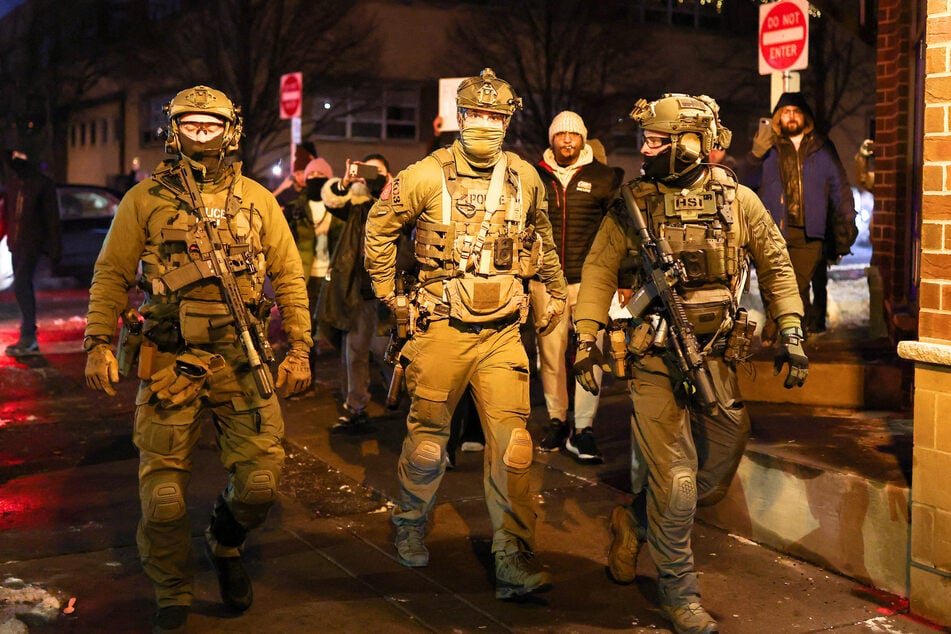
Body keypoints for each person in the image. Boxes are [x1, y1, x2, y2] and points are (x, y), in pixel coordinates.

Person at [573, 93, 808, 633]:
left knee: (715, 473)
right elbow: (600, 268)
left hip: (717, 355)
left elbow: (775, 263)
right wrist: (587, 337)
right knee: (678, 482)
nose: (646, 149)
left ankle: (635, 520)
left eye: (657, 141)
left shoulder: (737, 200)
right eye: (646, 140)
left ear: (690, 144)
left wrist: (792, 331)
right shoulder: (635, 202)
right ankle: (680, 592)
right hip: (655, 356)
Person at [82, 85, 312, 633]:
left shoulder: (258, 199)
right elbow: (111, 274)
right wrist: (96, 342)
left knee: (260, 482)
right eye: (191, 124)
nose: (202, 133)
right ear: (174, 129)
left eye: (212, 124)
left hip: (241, 357)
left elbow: (289, 276)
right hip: (169, 360)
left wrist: (301, 347)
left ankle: (225, 543)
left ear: (230, 131)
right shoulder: (144, 200)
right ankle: (172, 589)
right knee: (163, 497)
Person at [364, 68, 567, 600]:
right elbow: (379, 228)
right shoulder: (424, 175)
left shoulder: (525, 177)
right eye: (477, 114)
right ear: (460, 117)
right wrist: (391, 296)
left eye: (495, 116)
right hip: (440, 329)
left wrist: (554, 290)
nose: (485, 124)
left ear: (507, 121)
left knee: (514, 447)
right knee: (429, 441)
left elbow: (542, 237)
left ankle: (512, 556)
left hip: (502, 333)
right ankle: (410, 523)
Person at [532, 110, 622, 464]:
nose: (567, 140)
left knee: (590, 355)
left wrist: (621, 279)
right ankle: (557, 420)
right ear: (551, 139)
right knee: (551, 356)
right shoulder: (535, 176)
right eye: (560, 135)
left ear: (583, 138)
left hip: (590, 282)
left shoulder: (604, 177)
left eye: (573, 134)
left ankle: (583, 428)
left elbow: (618, 233)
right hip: (546, 282)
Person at [746, 92, 857, 337]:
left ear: (805, 116)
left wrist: (847, 218)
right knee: (771, 281)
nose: (791, 116)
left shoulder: (822, 147)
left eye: (796, 111)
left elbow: (839, 185)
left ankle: (793, 333)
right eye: (786, 112)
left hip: (810, 232)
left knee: (798, 285)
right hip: (773, 230)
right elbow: (746, 183)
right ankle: (780, 322)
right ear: (778, 117)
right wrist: (755, 156)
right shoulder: (769, 146)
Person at [317, 153, 392, 431]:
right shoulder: (356, 207)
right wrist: (346, 183)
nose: (372, 175)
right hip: (359, 293)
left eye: (378, 171)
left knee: (387, 352)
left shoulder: (395, 203)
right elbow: (333, 202)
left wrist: (386, 188)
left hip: (388, 294)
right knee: (355, 353)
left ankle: (403, 399)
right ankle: (355, 406)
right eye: (367, 170)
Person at [0, 149, 61, 357]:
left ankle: (29, 335)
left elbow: (52, 219)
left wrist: (55, 249)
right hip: (16, 244)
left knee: (21, 285)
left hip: (32, 244)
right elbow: (8, 214)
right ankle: (27, 335)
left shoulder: (42, 184)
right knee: (21, 287)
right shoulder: (14, 183)